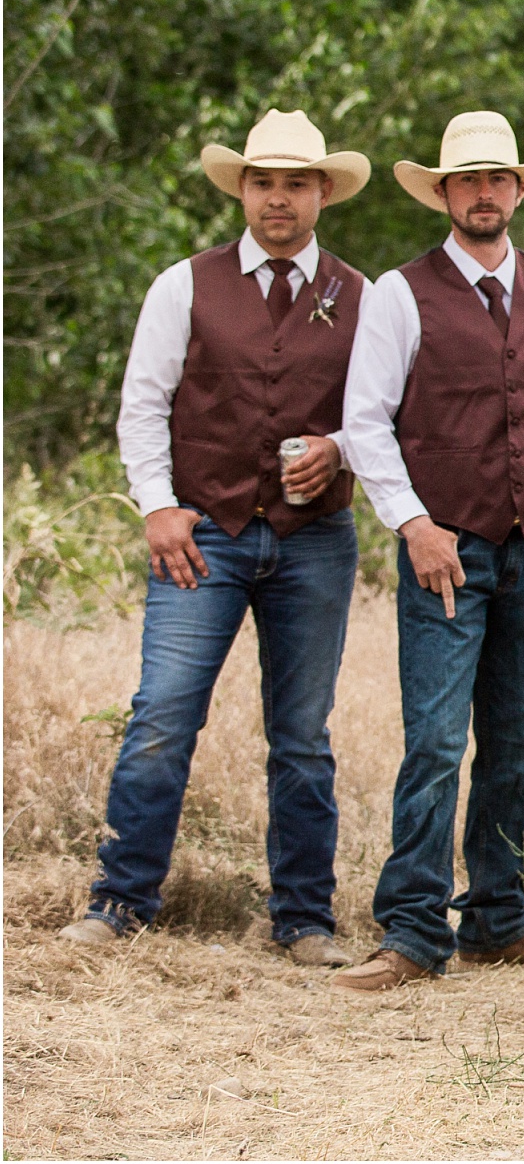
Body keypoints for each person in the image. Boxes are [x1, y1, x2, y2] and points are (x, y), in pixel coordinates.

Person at [63, 109, 369, 967]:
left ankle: (304, 918)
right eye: (264, 181)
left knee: (303, 734)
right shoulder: (184, 284)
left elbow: (381, 416)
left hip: (315, 541)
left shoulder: (363, 296)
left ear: (322, 194)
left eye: (296, 183)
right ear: (242, 189)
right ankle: (119, 899)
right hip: (203, 536)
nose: (279, 198)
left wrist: (339, 449)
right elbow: (143, 405)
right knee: (162, 714)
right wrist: (157, 505)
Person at [333, 111, 524, 992]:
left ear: (519, 189)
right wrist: (413, 524)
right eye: (468, 180)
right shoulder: (400, 293)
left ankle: (497, 916)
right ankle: (411, 929)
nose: (485, 193)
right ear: (443, 194)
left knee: (523, 738)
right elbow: (364, 422)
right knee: (437, 742)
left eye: (499, 179)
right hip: (444, 550)